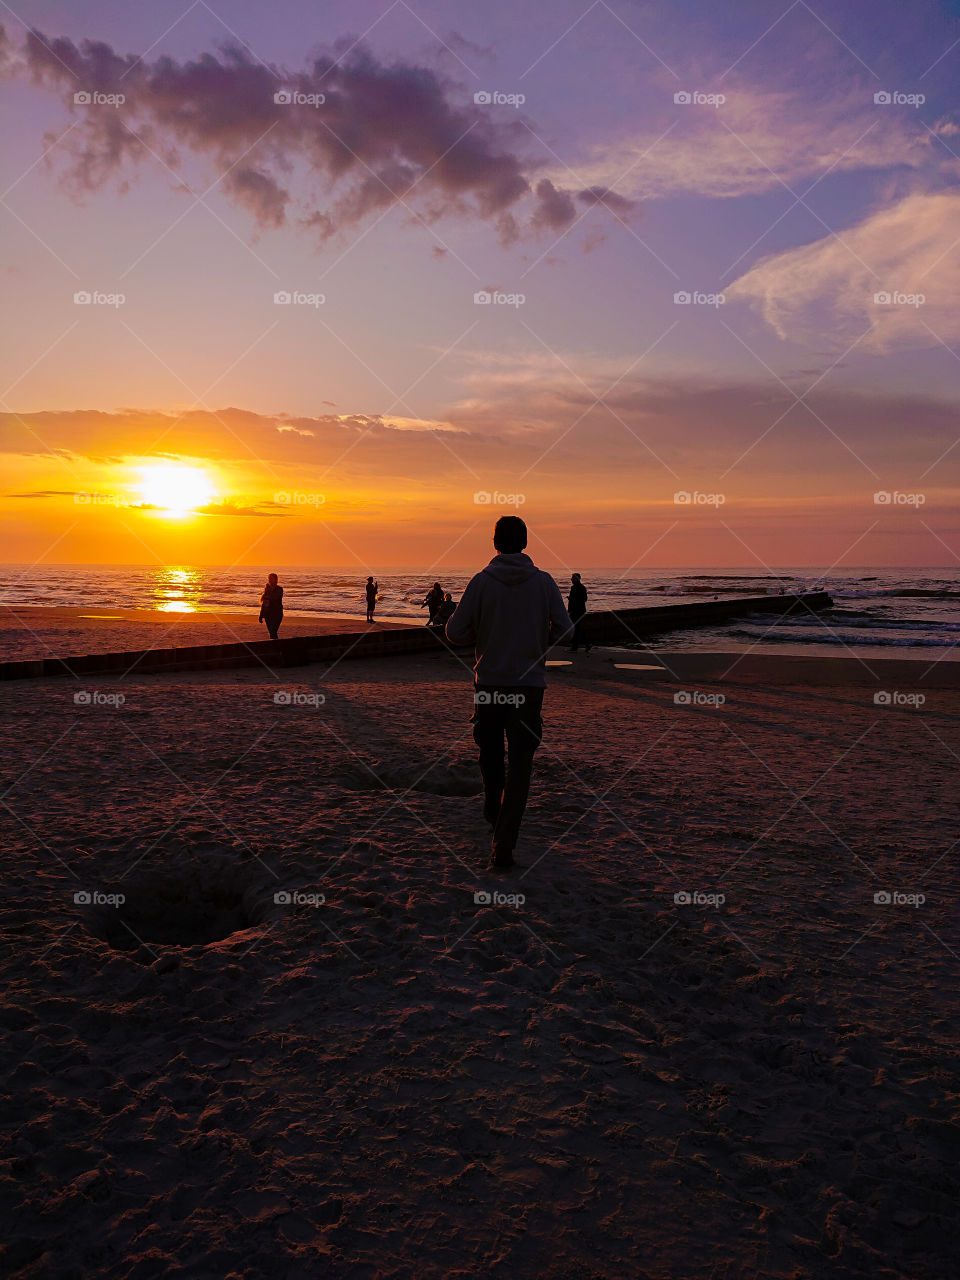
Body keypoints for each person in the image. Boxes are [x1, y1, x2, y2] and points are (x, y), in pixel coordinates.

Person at [446, 515, 571, 870]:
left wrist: (482, 635)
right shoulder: (544, 583)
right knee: (520, 765)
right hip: (529, 688)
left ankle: (492, 806)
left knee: (489, 753)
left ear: (496, 543)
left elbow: (455, 631)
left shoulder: (482, 582)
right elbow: (567, 631)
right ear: (526, 543)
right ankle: (504, 842)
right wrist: (539, 639)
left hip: (489, 683)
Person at [567, 572, 590, 653]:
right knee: (577, 628)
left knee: (576, 629)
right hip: (579, 610)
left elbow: (582, 599)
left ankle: (575, 646)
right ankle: (585, 644)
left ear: (576, 579)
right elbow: (584, 599)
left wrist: (572, 600)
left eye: (572, 578)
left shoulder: (575, 588)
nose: (571, 579)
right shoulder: (582, 587)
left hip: (576, 611)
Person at [258, 572, 283, 639]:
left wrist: (269, 590)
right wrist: (261, 615)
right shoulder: (267, 589)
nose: (269, 580)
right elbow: (264, 604)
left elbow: (275, 598)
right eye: (269, 579)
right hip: (268, 614)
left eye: (271, 579)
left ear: (276, 579)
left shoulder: (279, 589)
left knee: (273, 631)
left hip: (277, 614)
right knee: (272, 633)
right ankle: (275, 647)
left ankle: (276, 646)